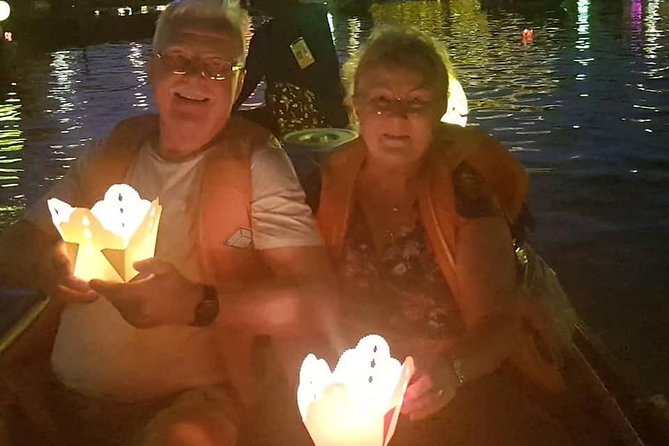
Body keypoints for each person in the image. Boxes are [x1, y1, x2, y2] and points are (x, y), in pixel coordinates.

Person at [0, 1, 337, 445]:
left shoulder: (256, 162)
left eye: (217, 66)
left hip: (191, 406)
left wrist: (198, 303)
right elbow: (15, 245)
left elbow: (317, 304)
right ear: (151, 69)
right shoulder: (116, 149)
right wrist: (48, 264)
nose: (196, 76)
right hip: (52, 393)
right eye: (179, 59)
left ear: (237, 82)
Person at [315, 26, 573, 445]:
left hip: (454, 386)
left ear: (438, 110)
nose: (398, 117)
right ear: (356, 105)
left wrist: (450, 372)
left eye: (416, 102)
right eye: (382, 100)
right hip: (353, 393)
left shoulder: (464, 190)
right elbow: (307, 293)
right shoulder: (326, 184)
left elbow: (497, 322)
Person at [233, 0, 349, 137]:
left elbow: (248, 83)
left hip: (297, 121)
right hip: (332, 113)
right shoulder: (315, 17)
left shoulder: (267, 36)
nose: (253, 7)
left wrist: (226, 111)